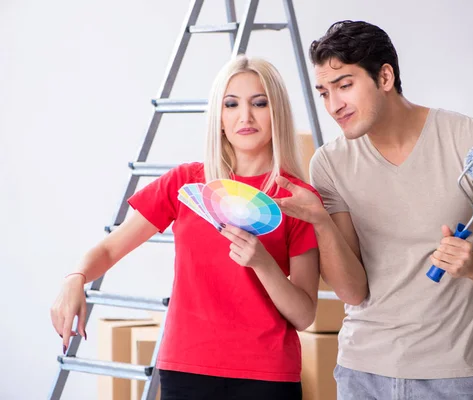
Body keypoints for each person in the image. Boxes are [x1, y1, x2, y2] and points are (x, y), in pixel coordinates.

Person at [274, 20, 473, 400]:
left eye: (345, 85)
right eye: (324, 93)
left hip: (451, 377)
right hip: (360, 373)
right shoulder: (330, 164)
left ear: (385, 77)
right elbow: (351, 291)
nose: (334, 106)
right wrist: (320, 221)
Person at [50, 55, 321, 400]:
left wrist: (263, 264)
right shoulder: (185, 184)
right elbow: (109, 248)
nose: (245, 116)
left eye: (260, 103)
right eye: (231, 104)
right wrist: (75, 278)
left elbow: (304, 315)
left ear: (277, 113)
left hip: (267, 376)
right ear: (219, 118)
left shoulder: (298, 198)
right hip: (187, 370)